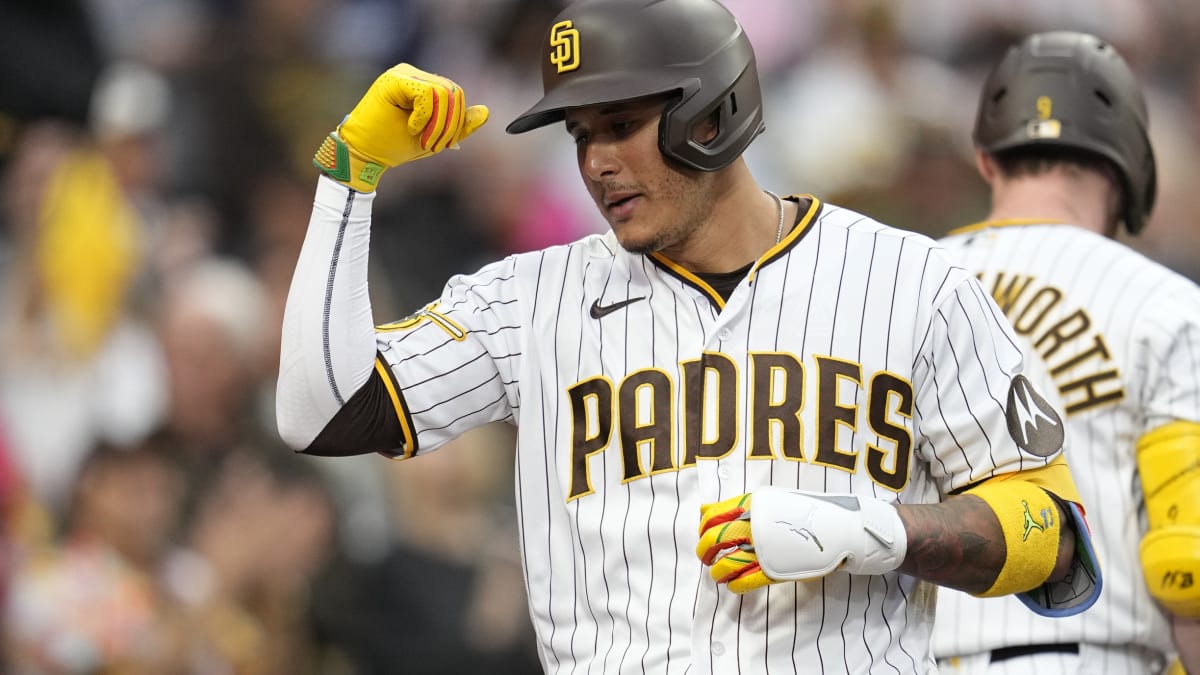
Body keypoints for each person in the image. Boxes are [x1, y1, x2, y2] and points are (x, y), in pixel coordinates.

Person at [275, 1, 1100, 672]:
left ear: (713, 114)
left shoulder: (913, 280)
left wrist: (873, 530)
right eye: (580, 134)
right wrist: (350, 174)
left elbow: (1051, 532)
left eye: (620, 123)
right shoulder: (531, 298)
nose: (595, 161)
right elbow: (320, 410)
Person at [930, 31, 1200, 674]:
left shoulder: (892, 289)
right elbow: (1187, 558)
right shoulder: (1166, 305)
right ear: (1129, 166)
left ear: (987, 159)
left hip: (908, 655)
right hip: (1094, 656)